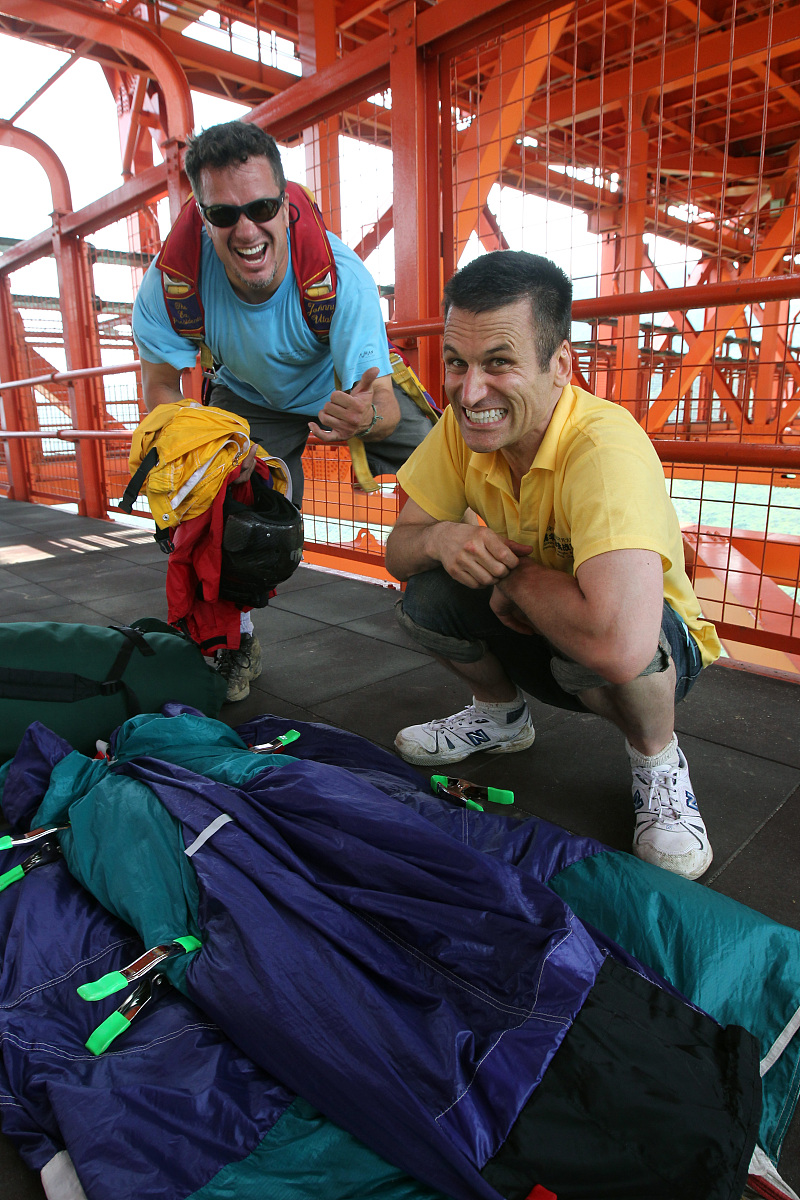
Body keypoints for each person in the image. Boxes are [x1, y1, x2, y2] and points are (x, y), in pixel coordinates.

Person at [385, 251, 721, 881]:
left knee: (593, 647)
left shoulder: (602, 446)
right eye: (457, 363)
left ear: (561, 365)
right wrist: (443, 540)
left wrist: (511, 577)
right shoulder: (463, 427)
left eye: (500, 362)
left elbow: (621, 645)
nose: (469, 390)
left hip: (654, 646)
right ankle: (501, 717)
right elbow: (399, 549)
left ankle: (658, 761)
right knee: (425, 595)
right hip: (548, 620)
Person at [132, 119, 432, 700]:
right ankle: (233, 642)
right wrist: (210, 446)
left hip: (343, 389)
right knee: (214, 505)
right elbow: (161, 394)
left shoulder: (341, 276)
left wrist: (363, 421)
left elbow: (385, 406)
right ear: (201, 213)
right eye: (223, 214)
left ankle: (471, 620)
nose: (246, 229)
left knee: (459, 468)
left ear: (286, 203)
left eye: (262, 206)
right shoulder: (170, 283)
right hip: (249, 396)